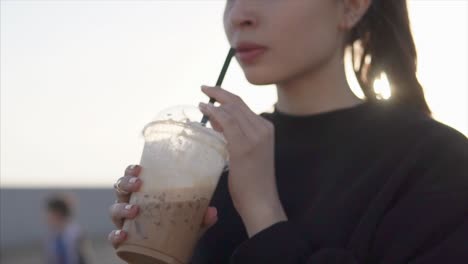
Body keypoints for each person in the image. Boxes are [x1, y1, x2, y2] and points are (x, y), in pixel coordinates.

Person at [108, 0, 468, 263]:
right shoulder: (218, 154)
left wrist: (263, 211)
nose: (238, 15)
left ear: (351, 7)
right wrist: (163, 250)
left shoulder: (438, 161)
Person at [44, 194, 91, 264]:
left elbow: (85, 259)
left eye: (49, 214)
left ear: (57, 213)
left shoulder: (76, 234)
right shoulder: (51, 237)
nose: (46, 218)